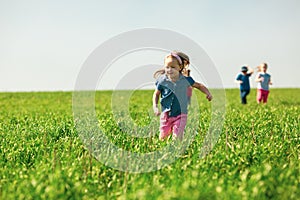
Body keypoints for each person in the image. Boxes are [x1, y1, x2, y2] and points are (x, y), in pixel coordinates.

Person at [152, 51, 213, 140]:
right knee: (162, 138)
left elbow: (199, 85)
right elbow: (156, 94)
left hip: (180, 114)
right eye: (167, 67)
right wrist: (155, 106)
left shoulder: (185, 80)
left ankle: (178, 150)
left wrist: (208, 93)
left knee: (177, 137)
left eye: (173, 67)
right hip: (166, 115)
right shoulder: (162, 81)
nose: (169, 70)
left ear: (180, 67)